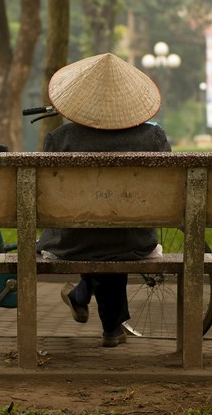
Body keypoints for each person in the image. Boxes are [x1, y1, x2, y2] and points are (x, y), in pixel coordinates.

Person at [36, 53, 170, 347]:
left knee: (94, 230)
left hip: (71, 242)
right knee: (113, 231)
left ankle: (86, 298)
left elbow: (44, 196)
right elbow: (170, 190)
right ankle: (109, 326)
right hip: (134, 240)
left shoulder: (59, 139)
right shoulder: (153, 139)